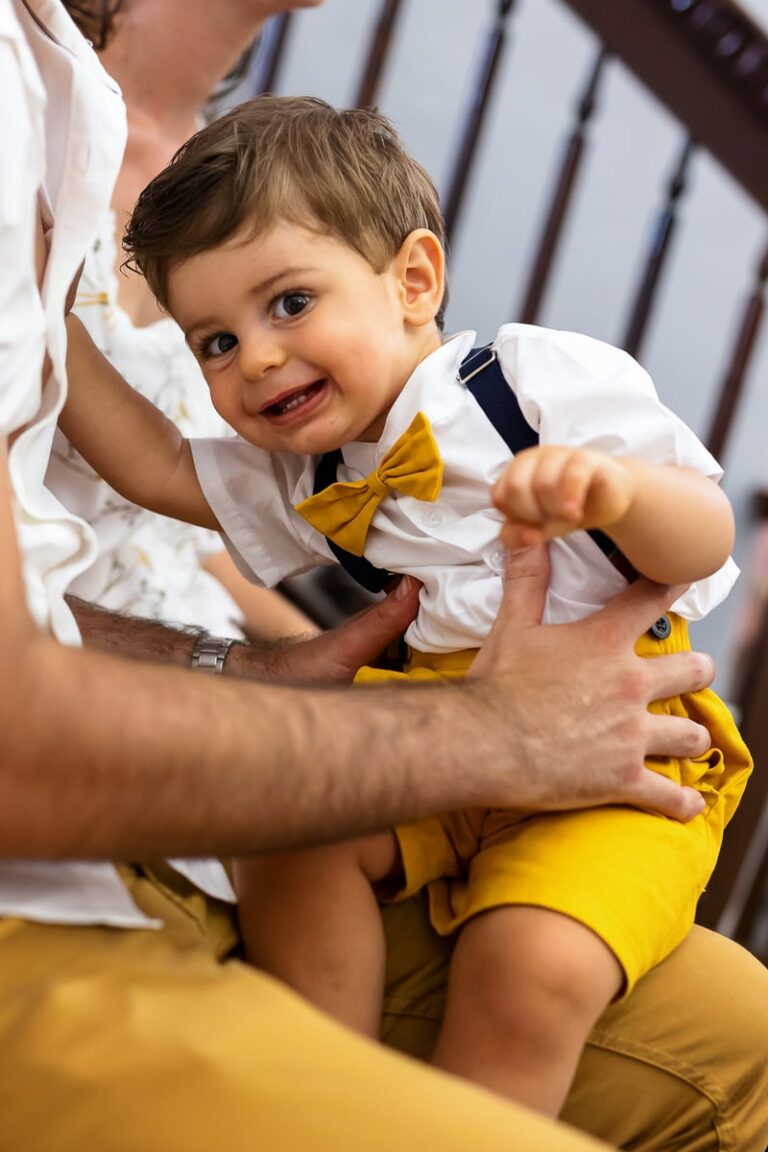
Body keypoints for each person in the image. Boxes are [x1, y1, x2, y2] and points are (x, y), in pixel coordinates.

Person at [4, 5, 768, 1149]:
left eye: (290, 305)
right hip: (442, 716)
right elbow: (158, 465)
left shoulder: (527, 383)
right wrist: (46, 312)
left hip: (619, 736)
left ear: (415, 279)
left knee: (532, 964)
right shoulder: (306, 462)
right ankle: (331, 1073)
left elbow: (705, 537)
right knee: (285, 821)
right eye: (214, 343)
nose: (255, 356)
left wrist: (612, 496)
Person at [45, 0, 319, 644]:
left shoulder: (237, 180)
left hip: (185, 637)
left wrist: (357, 668)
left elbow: (172, 542)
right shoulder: (33, 113)